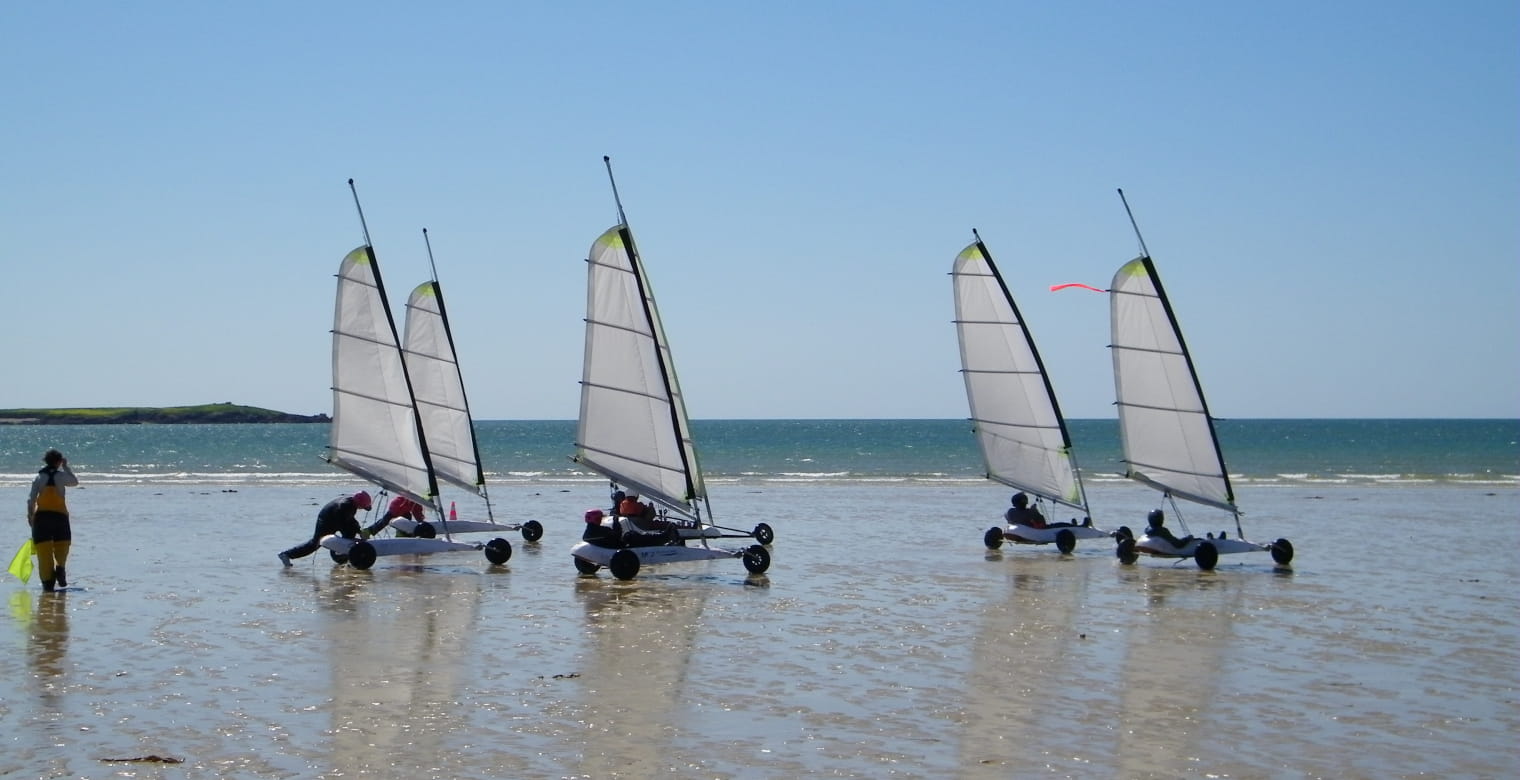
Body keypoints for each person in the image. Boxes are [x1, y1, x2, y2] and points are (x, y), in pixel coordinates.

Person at [26, 449, 78, 592]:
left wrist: (30, 516)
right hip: (60, 517)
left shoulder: (38, 478)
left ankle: (48, 584)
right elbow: (74, 482)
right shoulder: (61, 476)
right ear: (59, 462)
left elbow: (31, 500)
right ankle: (60, 566)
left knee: (44, 551)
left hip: (42, 518)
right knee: (63, 544)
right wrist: (66, 467)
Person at [279, 491, 372, 566]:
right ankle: (286, 554)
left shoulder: (353, 504)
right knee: (316, 543)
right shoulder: (344, 506)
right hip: (326, 520)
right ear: (359, 503)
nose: (362, 509)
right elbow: (343, 522)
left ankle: (343, 559)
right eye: (362, 507)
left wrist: (359, 531)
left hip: (338, 518)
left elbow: (351, 520)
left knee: (350, 533)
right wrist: (353, 539)